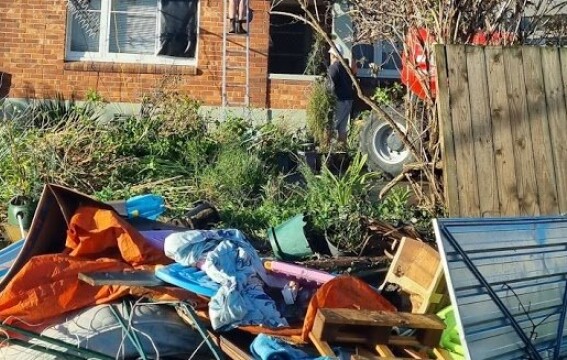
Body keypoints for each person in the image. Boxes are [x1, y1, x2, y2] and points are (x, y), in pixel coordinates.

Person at [327, 45, 354, 147]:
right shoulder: (346, 67)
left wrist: (328, 97)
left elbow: (330, 84)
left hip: (339, 101)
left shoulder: (334, 68)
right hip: (348, 100)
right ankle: (343, 151)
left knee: (331, 126)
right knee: (342, 129)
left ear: (333, 55)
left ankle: (328, 151)